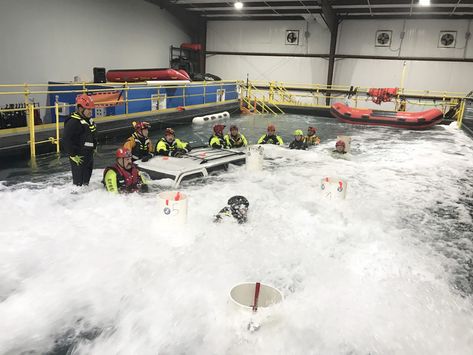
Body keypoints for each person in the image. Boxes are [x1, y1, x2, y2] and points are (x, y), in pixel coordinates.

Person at [63, 94, 97, 186]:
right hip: (78, 157)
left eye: (91, 109)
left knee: (86, 183)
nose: (91, 112)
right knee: (78, 184)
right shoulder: (73, 122)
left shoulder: (89, 120)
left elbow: (92, 135)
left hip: (89, 156)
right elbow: (66, 140)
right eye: (88, 109)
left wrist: (94, 147)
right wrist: (73, 155)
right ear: (81, 109)